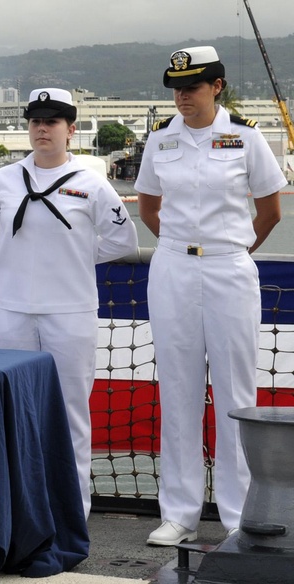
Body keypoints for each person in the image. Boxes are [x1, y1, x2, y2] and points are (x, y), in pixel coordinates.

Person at [134, 46, 285, 546]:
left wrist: (232, 249)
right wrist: (182, 249)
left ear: (217, 87)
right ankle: (179, 512)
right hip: (174, 267)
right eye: (177, 87)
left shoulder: (245, 138)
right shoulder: (160, 141)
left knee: (235, 391)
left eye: (193, 87)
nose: (182, 96)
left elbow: (269, 211)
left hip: (229, 268)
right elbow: (150, 207)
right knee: (177, 390)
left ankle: (239, 512)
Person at [0, 87, 139, 518]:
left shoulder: (91, 184)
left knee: (71, 412)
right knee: (15, 409)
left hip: (71, 310)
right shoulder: (4, 180)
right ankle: (20, 507)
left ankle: (72, 510)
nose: (42, 129)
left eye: (53, 122)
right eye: (36, 122)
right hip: (12, 309)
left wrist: (75, 256)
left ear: (71, 130)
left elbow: (122, 240)